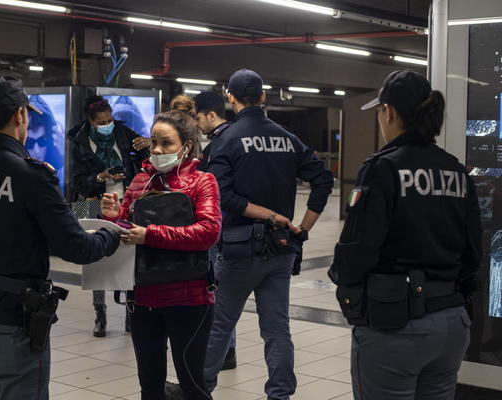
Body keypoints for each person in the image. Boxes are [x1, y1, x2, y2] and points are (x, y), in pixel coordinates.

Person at [0, 76, 121, 400]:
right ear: (20, 116)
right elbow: (75, 247)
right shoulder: (32, 175)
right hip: (14, 318)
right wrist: (109, 235)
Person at [328, 70, 482, 400]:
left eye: (381, 111)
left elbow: (357, 250)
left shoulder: (382, 168)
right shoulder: (457, 171)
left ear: (391, 113)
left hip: (395, 326)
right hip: (451, 324)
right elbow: (473, 253)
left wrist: (343, 283)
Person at [203, 69, 335, 400]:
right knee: (277, 329)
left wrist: (265, 214)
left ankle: (198, 389)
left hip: (238, 250)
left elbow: (221, 195)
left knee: (219, 325)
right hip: (281, 247)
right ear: (262, 98)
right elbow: (323, 180)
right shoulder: (288, 139)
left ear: (230, 99)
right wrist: (302, 227)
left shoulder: (227, 140)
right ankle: (280, 394)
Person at [101, 104, 222, 400]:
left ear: (187, 146)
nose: (156, 150)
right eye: (154, 142)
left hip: (189, 299)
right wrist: (114, 217)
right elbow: (128, 229)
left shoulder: (203, 181)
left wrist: (150, 235)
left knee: (192, 384)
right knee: (150, 385)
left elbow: (208, 233)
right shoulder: (140, 181)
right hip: (143, 299)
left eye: (166, 143)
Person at [68, 96, 150, 337]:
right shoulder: (79, 141)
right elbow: (76, 181)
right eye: (101, 122)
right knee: (95, 257)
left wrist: (147, 143)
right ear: (91, 122)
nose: (107, 124)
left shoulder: (124, 134)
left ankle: (129, 312)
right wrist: (99, 178)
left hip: (127, 200)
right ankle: (100, 314)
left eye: (110, 120)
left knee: (128, 255)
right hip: (91, 202)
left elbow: (148, 157)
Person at [194, 90, 237, 371]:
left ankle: (219, 356)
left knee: (217, 294)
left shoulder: (218, 145)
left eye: (197, 118)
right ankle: (227, 351)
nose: (197, 124)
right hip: (89, 196)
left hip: (219, 228)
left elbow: (218, 191)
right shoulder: (230, 140)